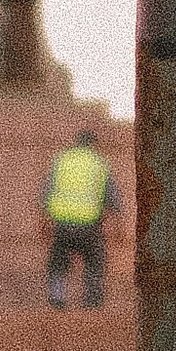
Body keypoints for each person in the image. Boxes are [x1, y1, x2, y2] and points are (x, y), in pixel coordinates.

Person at [42, 131, 115, 310]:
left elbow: (47, 190)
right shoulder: (99, 163)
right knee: (95, 259)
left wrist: (43, 220)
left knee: (58, 259)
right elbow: (111, 195)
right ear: (93, 144)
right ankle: (92, 297)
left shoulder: (62, 160)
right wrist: (117, 220)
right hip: (89, 222)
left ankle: (57, 295)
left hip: (62, 221)